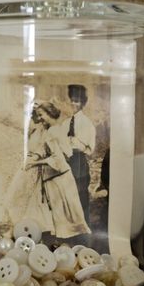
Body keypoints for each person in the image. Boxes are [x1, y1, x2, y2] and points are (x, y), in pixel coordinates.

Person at [25, 102, 91, 239]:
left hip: (59, 177)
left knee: (68, 214)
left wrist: (35, 163)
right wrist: (36, 156)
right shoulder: (52, 130)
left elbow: (58, 160)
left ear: (49, 114)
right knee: (64, 215)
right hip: (54, 177)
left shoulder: (54, 132)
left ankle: (74, 244)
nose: (40, 118)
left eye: (41, 115)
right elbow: (44, 149)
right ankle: (66, 241)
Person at [61, 85, 96, 225]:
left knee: (80, 196)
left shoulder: (87, 124)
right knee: (66, 196)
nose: (74, 104)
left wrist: (74, 142)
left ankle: (83, 229)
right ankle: (68, 227)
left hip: (79, 163)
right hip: (65, 162)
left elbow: (89, 149)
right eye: (72, 100)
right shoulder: (65, 123)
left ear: (83, 103)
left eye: (77, 101)